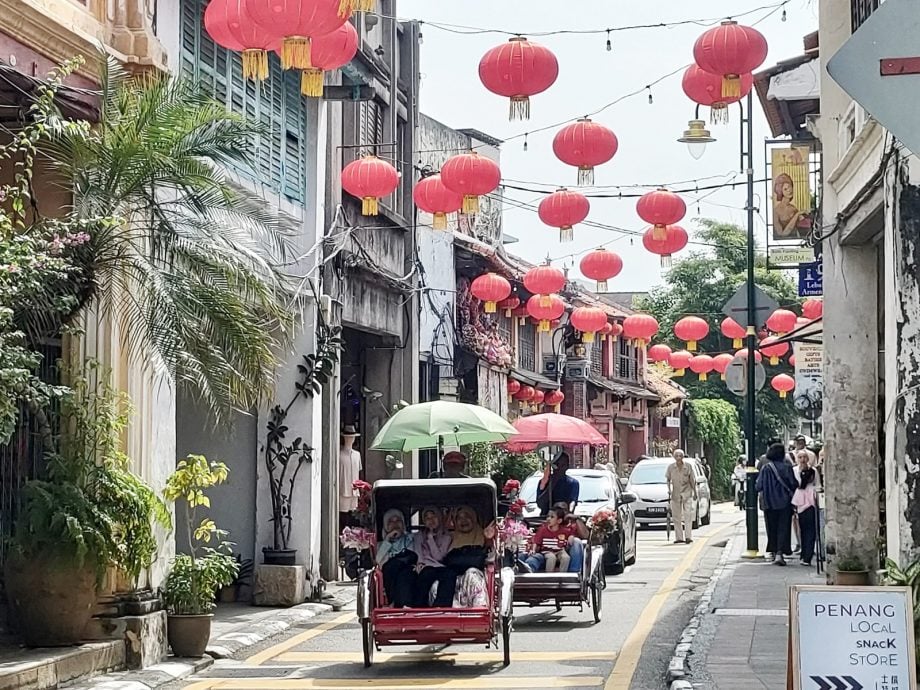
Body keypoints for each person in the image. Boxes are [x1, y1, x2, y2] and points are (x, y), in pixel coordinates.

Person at [444, 505, 494, 607]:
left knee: (471, 574)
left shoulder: (483, 534)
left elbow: (491, 556)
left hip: (476, 575)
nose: (463, 520)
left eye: (467, 516)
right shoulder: (449, 537)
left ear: (473, 518)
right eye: (459, 518)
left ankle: (479, 610)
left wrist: (488, 539)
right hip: (453, 577)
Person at [756, 443, 798, 566]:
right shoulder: (787, 467)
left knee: (772, 528)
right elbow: (793, 483)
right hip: (785, 503)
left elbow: (758, 486)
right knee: (783, 527)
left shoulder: (766, 468)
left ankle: (773, 551)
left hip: (768, 503)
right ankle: (780, 552)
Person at [412, 506, 456, 607]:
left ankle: (441, 606)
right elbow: (417, 552)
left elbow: (439, 557)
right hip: (426, 566)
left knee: (450, 574)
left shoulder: (447, 536)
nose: (431, 520)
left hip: (440, 566)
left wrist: (430, 539)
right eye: (427, 518)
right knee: (426, 573)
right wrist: (420, 563)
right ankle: (419, 608)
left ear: (439, 517)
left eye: (433, 516)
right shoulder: (419, 535)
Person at [375, 509, 416, 607]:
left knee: (404, 572)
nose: (395, 524)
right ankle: (395, 602)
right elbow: (378, 561)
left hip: (410, 572)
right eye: (391, 521)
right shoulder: (381, 544)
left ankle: (402, 603)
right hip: (390, 574)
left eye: (398, 521)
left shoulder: (411, 539)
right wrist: (388, 540)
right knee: (392, 566)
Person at [792, 450, 819, 567]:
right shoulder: (794, 471)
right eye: (800, 457)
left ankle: (807, 555)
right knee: (801, 528)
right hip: (799, 501)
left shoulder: (814, 471)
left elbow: (818, 485)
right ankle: (803, 552)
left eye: (804, 457)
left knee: (810, 528)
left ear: (808, 459)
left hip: (811, 500)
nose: (802, 459)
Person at [666, 450, 697, 544]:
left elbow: (692, 480)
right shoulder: (671, 467)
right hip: (675, 494)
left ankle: (688, 537)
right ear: (674, 457)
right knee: (676, 517)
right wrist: (669, 489)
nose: (678, 457)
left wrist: (695, 492)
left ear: (683, 457)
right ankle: (679, 537)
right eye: (677, 456)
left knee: (688, 515)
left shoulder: (688, 466)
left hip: (687, 493)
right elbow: (667, 479)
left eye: (680, 455)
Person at [536, 451, 580, 515]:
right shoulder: (544, 482)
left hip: (564, 518)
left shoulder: (573, 483)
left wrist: (569, 513)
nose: (559, 468)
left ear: (567, 466)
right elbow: (540, 504)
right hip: (546, 518)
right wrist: (552, 483)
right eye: (556, 464)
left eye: (562, 465)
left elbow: (572, 502)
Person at [338, 425, 362, 529]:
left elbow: (359, 470)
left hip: (354, 491)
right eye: (348, 437)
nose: (350, 439)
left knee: (353, 517)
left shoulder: (357, 455)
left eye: (352, 437)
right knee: (343, 517)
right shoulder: (339, 455)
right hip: (343, 490)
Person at [773, 172, 806, 238]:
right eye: (785, 189)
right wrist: (796, 215)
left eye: (790, 187)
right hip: (782, 245)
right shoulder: (776, 211)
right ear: (780, 192)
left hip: (798, 242)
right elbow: (782, 234)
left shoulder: (794, 209)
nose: (789, 190)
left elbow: (803, 227)